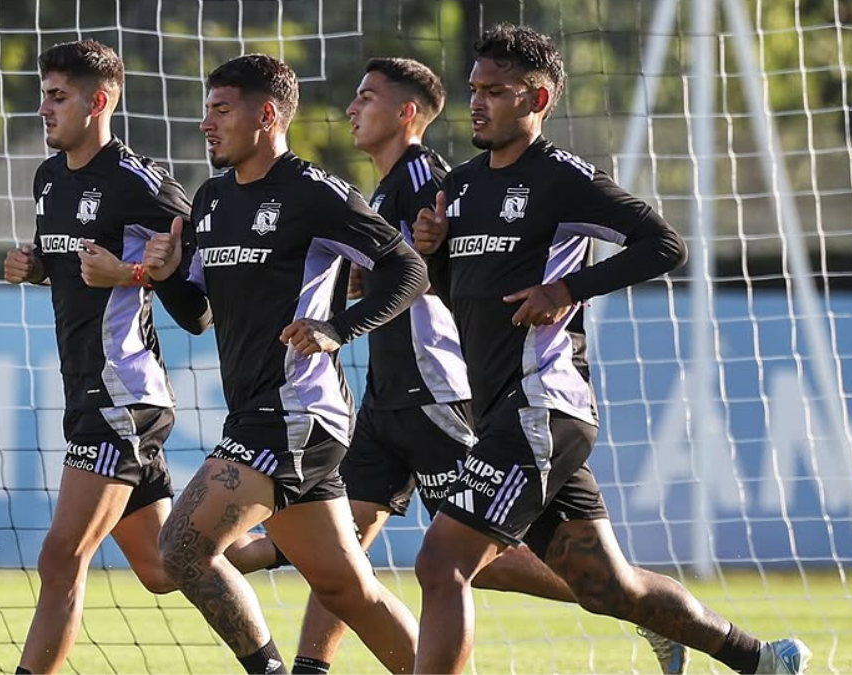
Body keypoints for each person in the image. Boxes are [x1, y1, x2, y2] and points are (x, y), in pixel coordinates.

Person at [408, 24, 813, 675]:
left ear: (536, 101)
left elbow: (664, 243)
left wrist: (569, 286)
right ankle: (763, 659)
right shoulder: (458, 188)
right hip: (500, 409)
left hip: (542, 402)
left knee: (441, 562)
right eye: (474, 90)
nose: (477, 103)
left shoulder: (563, 177)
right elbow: (465, 300)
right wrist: (434, 253)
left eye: (495, 91)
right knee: (606, 587)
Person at [282, 56, 689, 675]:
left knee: (466, 559)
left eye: (367, 97)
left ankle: (639, 608)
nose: (352, 109)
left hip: (434, 393)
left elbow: (440, 279)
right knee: (343, 554)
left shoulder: (430, 177)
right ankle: (308, 667)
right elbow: (428, 270)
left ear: (405, 112)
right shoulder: (392, 184)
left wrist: (562, 287)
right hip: (387, 394)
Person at [141, 54, 426, 675]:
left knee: (181, 550)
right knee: (349, 591)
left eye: (220, 109)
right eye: (206, 109)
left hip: (296, 412)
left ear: (266, 115)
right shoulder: (211, 199)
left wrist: (338, 328)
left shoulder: (314, 193)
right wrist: (164, 278)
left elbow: (409, 268)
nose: (205, 124)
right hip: (266, 414)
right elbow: (197, 314)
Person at [2, 39, 192, 675]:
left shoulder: (139, 181)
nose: (43, 108)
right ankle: (297, 554)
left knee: (61, 556)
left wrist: (134, 272)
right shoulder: (49, 177)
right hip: (87, 391)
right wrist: (32, 268)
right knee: (167, 567)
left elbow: (199, 271)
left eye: (57, 97)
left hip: (124, 394)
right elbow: (72, 264)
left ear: (99, 101)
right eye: (44, 95)